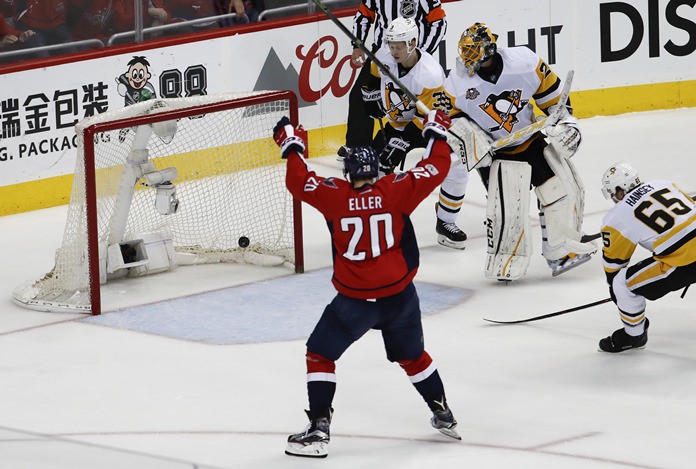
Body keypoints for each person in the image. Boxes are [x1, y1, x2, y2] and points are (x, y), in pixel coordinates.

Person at [274, 109, 461, 458]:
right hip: (399, 298)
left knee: (319, 355)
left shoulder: (334, 195)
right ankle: (442, 412)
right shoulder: (396, 190)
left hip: (355, 302)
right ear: (377, 170)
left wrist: (292, 146)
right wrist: (436, 134)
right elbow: (437, 167)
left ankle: (318, 430)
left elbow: (298, 181)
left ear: (348, 173)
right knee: (413, 356)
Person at [442, 22, 597, 280]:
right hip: (495, 153)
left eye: (473, 52)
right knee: (508, 210)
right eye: (465, 52)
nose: (466, 59)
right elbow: (451, 119)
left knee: (558, 190)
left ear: (489, 50)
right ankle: (505, 263)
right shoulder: (457, 82)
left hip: (529, 140)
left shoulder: (524, 62)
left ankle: (558, 251)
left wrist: (566, 122)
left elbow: (554, 99)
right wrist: (470, 140)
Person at [361, 16, 468, 249]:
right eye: (391, 44)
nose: (394, 50)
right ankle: (377, 227)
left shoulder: (430, 74)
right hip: (396, 125)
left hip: (428, 126)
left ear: (412, 43)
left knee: (454, 164)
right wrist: (369, 97)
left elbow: (427, 118)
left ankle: (446, 222)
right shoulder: (385, 56)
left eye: (399, 45)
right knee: (370, 169)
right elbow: (371, 76)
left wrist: (400, 142)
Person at [597, 163, 696, 353]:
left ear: (619, 191)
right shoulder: (663, 184)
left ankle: (634, 335)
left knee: (621, 283)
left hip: (685, 263)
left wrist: (617, 294)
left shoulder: (616, 216)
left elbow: (614, 264)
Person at [339, 0, 447, 157]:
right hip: (383, 56)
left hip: (412, 58)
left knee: (419, 105)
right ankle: (357, 147)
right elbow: (364, 15)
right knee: (360, 95)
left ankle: (426, 143)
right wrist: (357, 45)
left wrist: (423, 54)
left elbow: (438, 22)